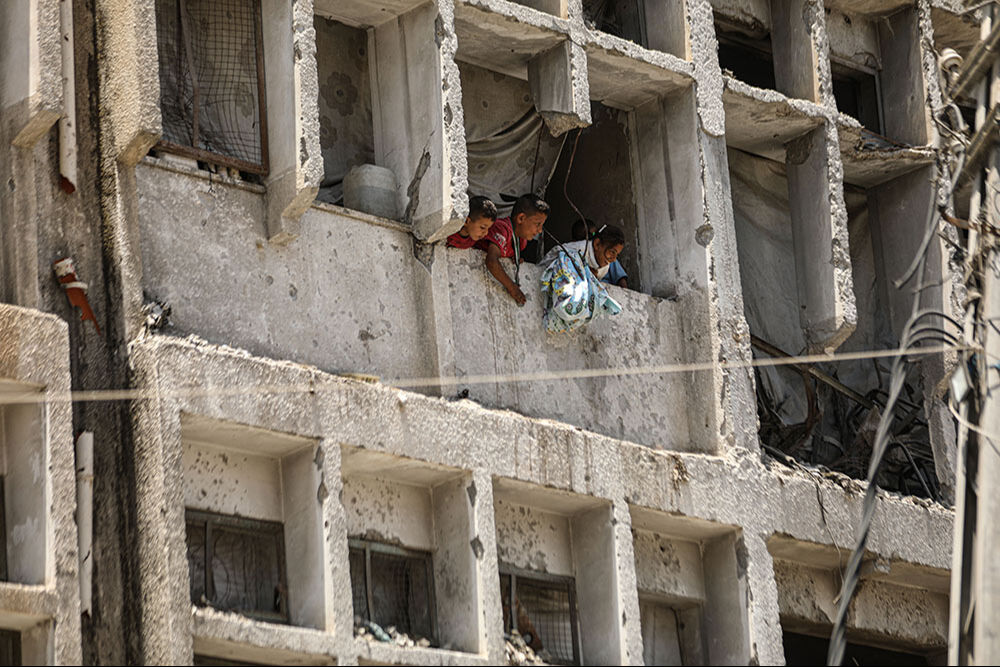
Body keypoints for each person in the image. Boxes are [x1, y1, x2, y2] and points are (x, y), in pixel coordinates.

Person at [475, 194, 550, 305]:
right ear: (521, 218)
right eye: (537, 224)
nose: (539, 230)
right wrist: (512, 288)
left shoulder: (521, 242)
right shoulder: (502, 229)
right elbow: (491, 261)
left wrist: (514, 258)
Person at [546, 223, 626, 282]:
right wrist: (583, 271)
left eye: (617, 255)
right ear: (597, 244)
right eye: (612, 252)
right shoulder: (577, 250)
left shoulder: (605, 267)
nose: (614, 259)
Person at [571, 219, 628, 288]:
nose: (592, 237)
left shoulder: (609, 259)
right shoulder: (573, 254)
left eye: (595, 234)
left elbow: (621, 280)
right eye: (588, 235)